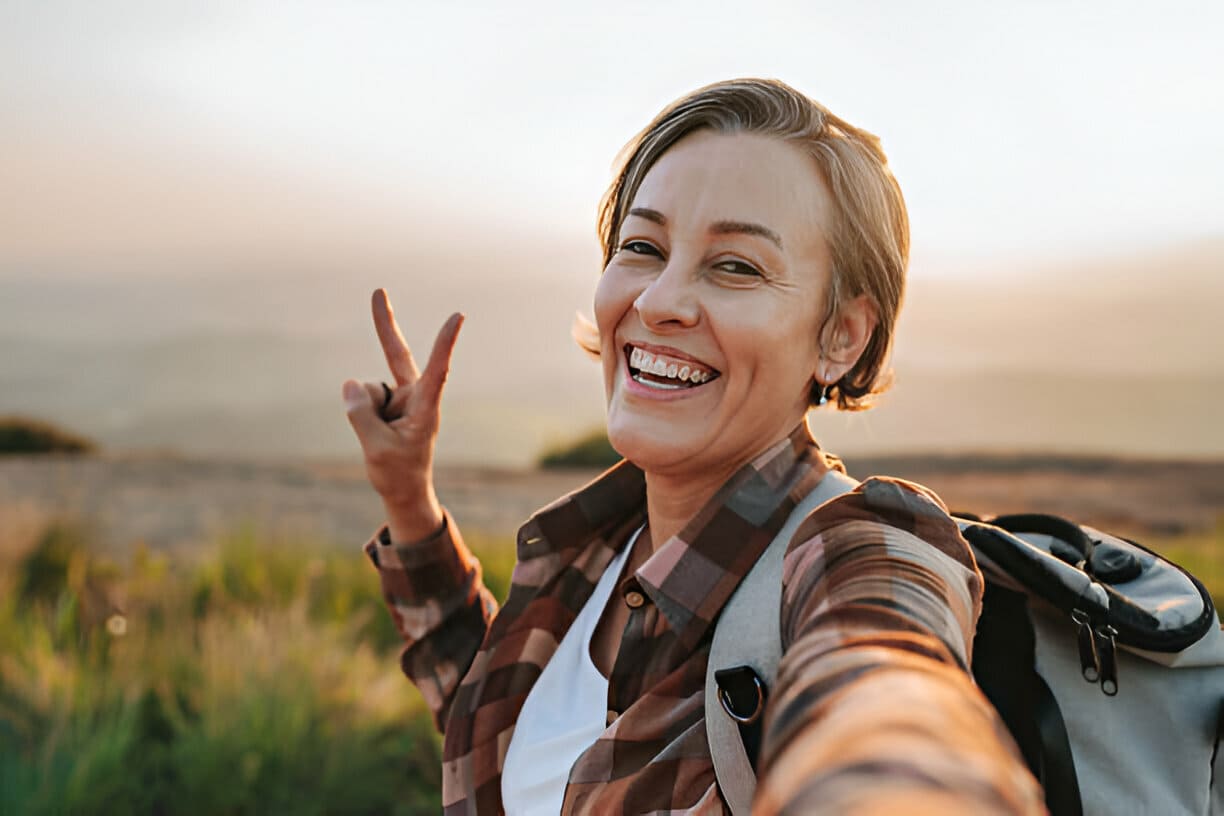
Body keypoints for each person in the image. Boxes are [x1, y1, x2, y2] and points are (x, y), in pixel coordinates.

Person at [342, 78, 1046, 815]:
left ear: (842, 336)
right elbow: (494, 725)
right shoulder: (592, 555)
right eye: (643, 247)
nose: (658, 302)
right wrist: (406, 497)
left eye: (735, 265)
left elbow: (889, 708)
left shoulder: (862, 545)